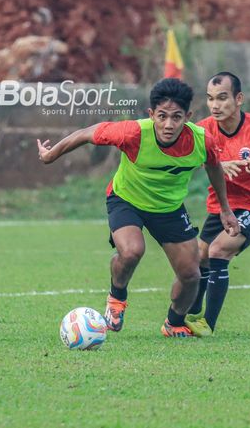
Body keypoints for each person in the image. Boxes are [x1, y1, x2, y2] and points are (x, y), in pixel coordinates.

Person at [36, 78, 239, 337]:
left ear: (187, 116)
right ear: (151, 114)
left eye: (176, 117)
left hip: (169, 208)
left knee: (191, 275)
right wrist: (51, 155)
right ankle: (117, 297)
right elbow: (88, 133)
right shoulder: (133, 133)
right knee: (132, 251)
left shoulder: (202, 141)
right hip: (127, 200)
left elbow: (213, 167)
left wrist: (225, 208)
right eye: (162, 116)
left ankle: (173, 323)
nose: (168, 124)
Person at [185, 72, 250, 336]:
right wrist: (217, 165)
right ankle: (192, 310)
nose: (215, 106)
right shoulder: (203, 129)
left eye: (222, 98)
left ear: (239, 99)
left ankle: (207, 324)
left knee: (219, 250)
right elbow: (183, 156)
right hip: (221, 206)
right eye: (210, 99)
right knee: (199, 257)